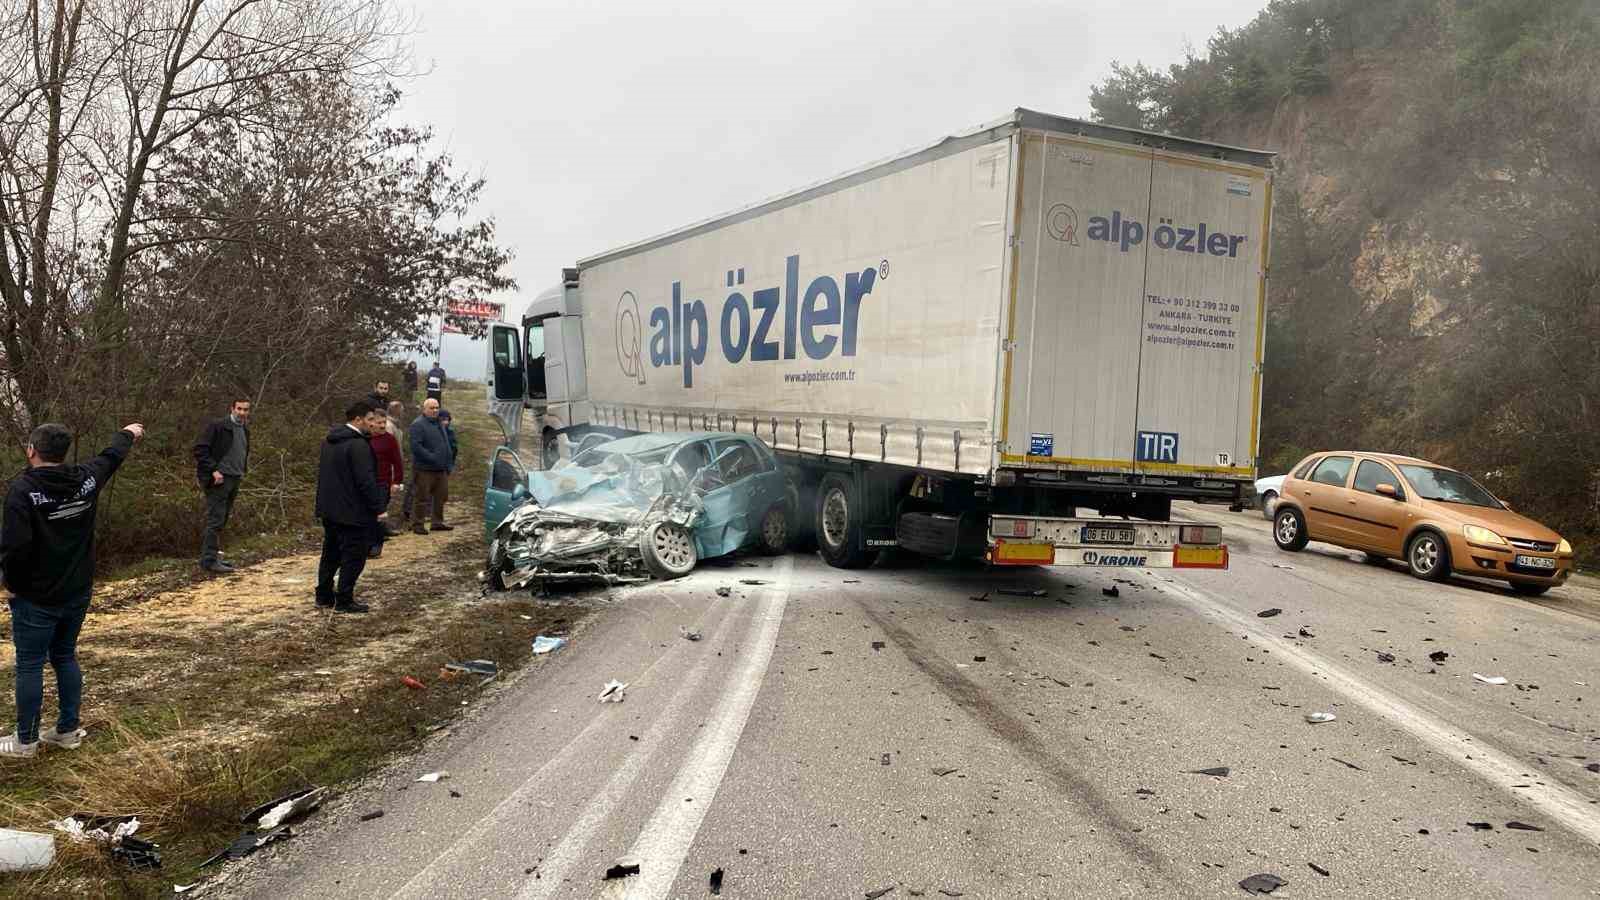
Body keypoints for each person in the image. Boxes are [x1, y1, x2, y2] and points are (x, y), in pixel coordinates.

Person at [1, 422, 144, 759]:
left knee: (30, 665)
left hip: (36, 597)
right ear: (63, 453)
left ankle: (25, 742)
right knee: (64, 655)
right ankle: (66, 730)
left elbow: (14, 548)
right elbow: (112, 456)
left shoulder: (23, 491)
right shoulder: (86, 478)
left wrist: (9, 585)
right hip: (77, 589)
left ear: (32, 450)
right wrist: (127, 433)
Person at [314, 401, 385, 613]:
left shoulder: (330, 441)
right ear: (357, 420)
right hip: (352, 512)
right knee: (354, 556)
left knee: (331, 554)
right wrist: (378, 507)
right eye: (370, 420)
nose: (373, 424)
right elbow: (366, 480)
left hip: (330, 509)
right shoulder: (358, 445)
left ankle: (324, 596)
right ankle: (344, 599)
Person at [193, 399, 251, 574]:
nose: (242, 412)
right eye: (239, 409)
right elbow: (200, 449)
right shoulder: (218, 426)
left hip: (235, 477)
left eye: (245, 409)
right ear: (232, 409)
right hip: (219, 479)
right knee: (216, 519)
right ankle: (209, 561)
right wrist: (214, 470)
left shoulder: (244, 429)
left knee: (222, 518)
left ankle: (213, 557)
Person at [407, 398, 454, 534]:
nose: (435, 410)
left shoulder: (439, 423)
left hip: (441, 468)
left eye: (436, 407)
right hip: (424, 469)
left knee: (441, 496)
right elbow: (416, 447)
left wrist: (447, 460)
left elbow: (446, 442)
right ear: (424, 409)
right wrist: (432, 458)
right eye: (431, 408)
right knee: (422, 497)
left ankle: (437, 522)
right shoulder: (418, 425)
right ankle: (418, 524)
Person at [368, 404, 404, 557]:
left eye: (384, 422)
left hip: (383, 483)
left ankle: (377, 545)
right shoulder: (364, 438)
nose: (382, 426)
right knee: (367, 515)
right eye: (379, 423)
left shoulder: (389, 440)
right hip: (367, 482)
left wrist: (397, 482)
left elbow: (397, 461)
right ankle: (366, 544)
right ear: (371, 423)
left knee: (379, 514)